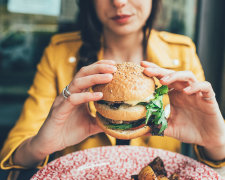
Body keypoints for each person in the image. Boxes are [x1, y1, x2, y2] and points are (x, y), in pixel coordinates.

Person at [1, 0, 225, 171]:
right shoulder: (59, 52)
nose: (118, 2)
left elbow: (216, 157)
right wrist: (40, 146)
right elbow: (13, 151)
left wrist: (216, 142)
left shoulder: (182, 53)